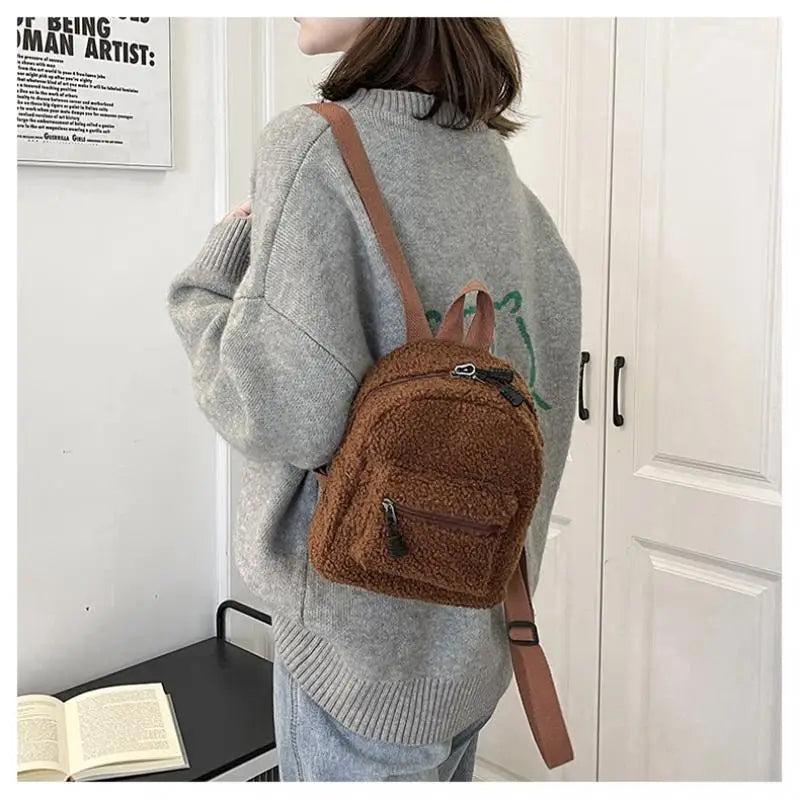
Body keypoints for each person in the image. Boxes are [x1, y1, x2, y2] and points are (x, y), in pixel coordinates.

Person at [167, 17, 581, 782]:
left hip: (358, 660)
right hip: (477, 639)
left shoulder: (315, 147)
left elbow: (274, 410)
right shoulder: (501, 177)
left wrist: (209, 281)